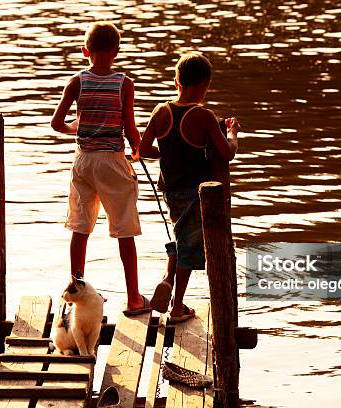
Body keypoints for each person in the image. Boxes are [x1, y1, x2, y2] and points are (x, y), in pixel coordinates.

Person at [51, 22, 149, 315]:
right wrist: (138, 150)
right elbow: (130, 128)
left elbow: (57, 123)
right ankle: (133, 298)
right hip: (112, 162)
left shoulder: (77, 81)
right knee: (124, 230)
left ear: (85, 52)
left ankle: (77, 288)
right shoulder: (124, 83)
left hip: (83, 162)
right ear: (116, 52)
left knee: (80, 227)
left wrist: (74, 128)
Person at [139, 52, 240, 322]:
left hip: (170, 190)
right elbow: (227, 152)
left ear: (176, 82)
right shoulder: (203, 116)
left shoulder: (161, 111)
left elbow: (143, 149)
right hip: (196, 193)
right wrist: (232, 133)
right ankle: (177, 306)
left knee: (181, 235)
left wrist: (168, 154)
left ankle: (167, 280)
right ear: (205, 85)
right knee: (191, 247)